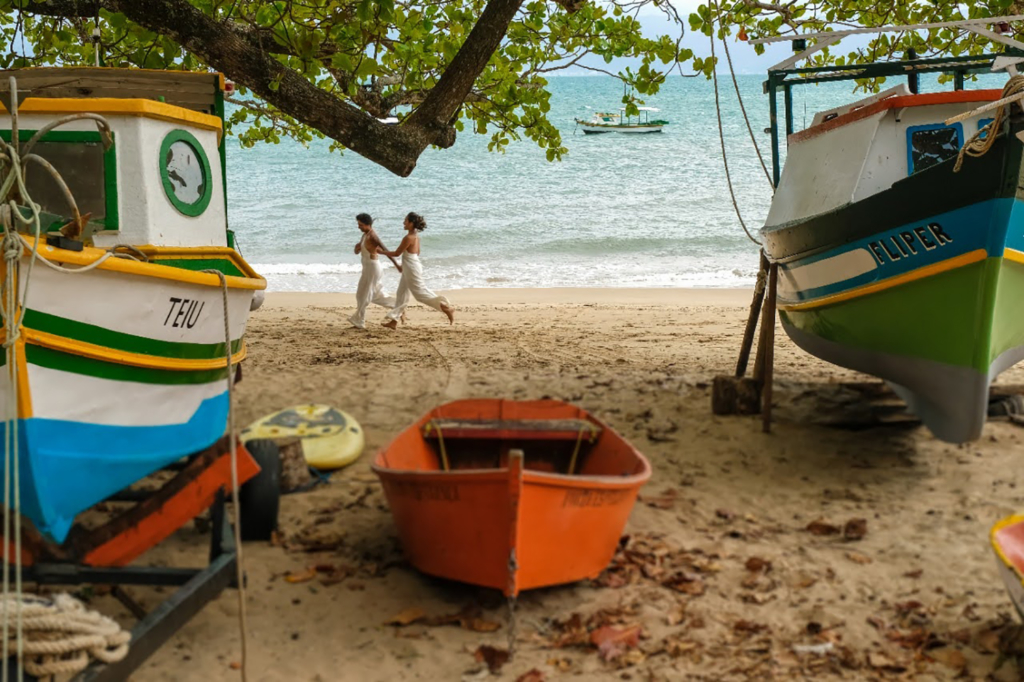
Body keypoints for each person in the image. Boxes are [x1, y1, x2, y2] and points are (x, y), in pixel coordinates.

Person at [380, 212, 455, 328]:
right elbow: (417, 253)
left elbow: (396, 253)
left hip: (411, 267)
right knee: (401, 294)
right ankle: (394, 321)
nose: (403, 223)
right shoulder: (415, 236)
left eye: (405, 221)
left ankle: (446, 308)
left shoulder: (408, 237)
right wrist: (406, 263)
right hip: (412, 265)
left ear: (411, 223)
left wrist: (380, 252)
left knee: (419, 294)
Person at [349, 213, 402, 329]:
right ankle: (397, 307)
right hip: (367, 268)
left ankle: (359, 321)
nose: (359, 227)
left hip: (373, 268)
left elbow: (386, 250)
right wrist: (356, 248)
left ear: (368, 224)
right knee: (371, 294)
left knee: (365, 295)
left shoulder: (373, 236)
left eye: (361, 225)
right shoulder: (364, 235)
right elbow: (357, 251)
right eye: (358, 224)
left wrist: (397, 265)